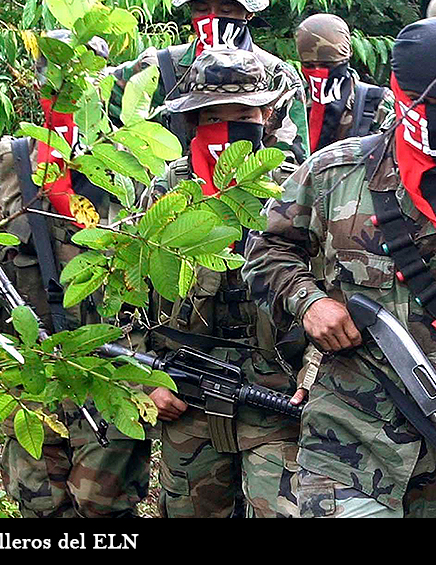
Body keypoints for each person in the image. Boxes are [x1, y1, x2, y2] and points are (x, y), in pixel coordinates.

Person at [242, 17, 436, 517]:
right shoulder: (332, 173)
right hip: (347, 435)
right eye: (422, 101)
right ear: (395, 89)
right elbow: (265, 253)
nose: (435, 117)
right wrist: (311, 301)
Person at [0, 30, 150, 518]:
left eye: (79, 87)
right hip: (29, 361)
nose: (65, 99)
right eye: (54, 85)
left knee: (105, 503)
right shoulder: (12, 159)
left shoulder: (131, 162)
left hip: (110, 358)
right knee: (37, 501)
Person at [142, 48, 308, 518]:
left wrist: (313, 376)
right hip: (186, 391)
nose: (228, 128)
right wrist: (148, 378)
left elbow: (334, 291)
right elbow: (125, 294)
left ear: (267, 115)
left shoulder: (296, 188)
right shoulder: (165, 191)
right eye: (212, 116)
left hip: (276, 394)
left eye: (243, 114)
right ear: (192, 120)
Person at [108, 0, 308, 162]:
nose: (213, 16)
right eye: (202, 9)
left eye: (226, 9)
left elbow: (292, 165)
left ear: (249, 13)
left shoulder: (277, 76)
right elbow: (97, 103)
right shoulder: (159, 67)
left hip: (251, 190)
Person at [294, 13, 394, 154]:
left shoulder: (377, 103)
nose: (318, 71)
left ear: (348, 54)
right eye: (309, 65)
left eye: (327, 65)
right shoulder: (294, 103)